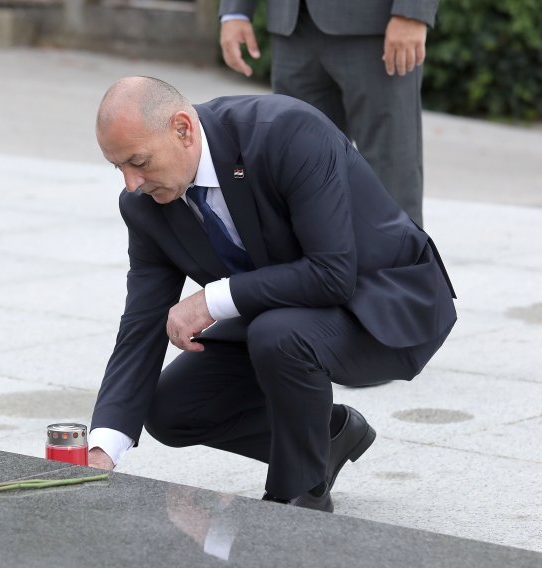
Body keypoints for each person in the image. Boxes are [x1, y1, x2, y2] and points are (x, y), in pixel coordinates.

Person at [87, 77, 456, 512]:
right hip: (284, 314)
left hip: (384, 302)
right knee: (172, 409)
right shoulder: (144, 204)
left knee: (278, 334)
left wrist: (211, 300)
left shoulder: (285, 131)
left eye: (139, 162)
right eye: (119, 168)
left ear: (183, 129)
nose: (131, 183)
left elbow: (332, 273)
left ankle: (298, 493)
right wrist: (101, 448)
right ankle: (328, 435)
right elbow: (141, 325)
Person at [218, 0, 436, 227]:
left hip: (376, 27)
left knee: (391, 170)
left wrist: (413, 13)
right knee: (299, 171)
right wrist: (235, 11)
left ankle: (402, 263)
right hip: (292, 28)